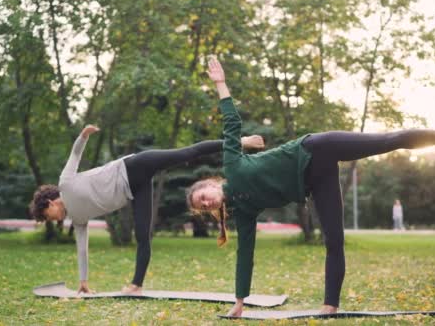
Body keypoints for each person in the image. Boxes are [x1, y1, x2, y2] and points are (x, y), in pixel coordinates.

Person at [186, 57, 435, 317]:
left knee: (387, 141)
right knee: (334, 239)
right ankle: (330, 306)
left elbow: (231, 124)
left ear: (211, 184)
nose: (206, 203)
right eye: (202, 207)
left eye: (203, 196)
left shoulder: (231, 165)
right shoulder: (245, 210)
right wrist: (239, 302)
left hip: (317, 148)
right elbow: (246, 254)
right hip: (317, 180)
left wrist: (220, 84)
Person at [29, 125, 265, 295]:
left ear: (49, 204)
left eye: (46, 217)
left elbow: (75, 155)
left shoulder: (65, 183)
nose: (51, 220)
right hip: (137, 189)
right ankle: (136, 286)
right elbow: (82, 249)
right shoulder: (77, 219)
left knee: (187, 153)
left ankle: (240, 142)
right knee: (143, 236)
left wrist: (84, 135)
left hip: (134, 165)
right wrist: (83, 281)